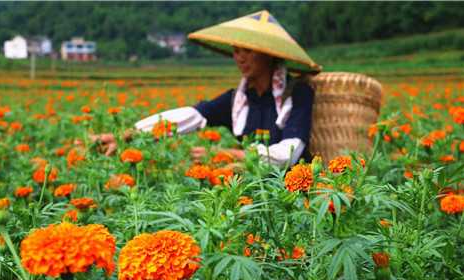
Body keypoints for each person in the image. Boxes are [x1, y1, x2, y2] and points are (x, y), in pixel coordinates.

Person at [91, 10, 321, 167]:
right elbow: (191, 116)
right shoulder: (237, 100)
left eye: (247, 50)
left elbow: (289, 153)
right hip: (252, 197)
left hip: (292, 199)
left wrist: (232, 155)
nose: (239, 58)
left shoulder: (297, 93)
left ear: (270, 54)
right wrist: (128, 135)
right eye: (236, 50)